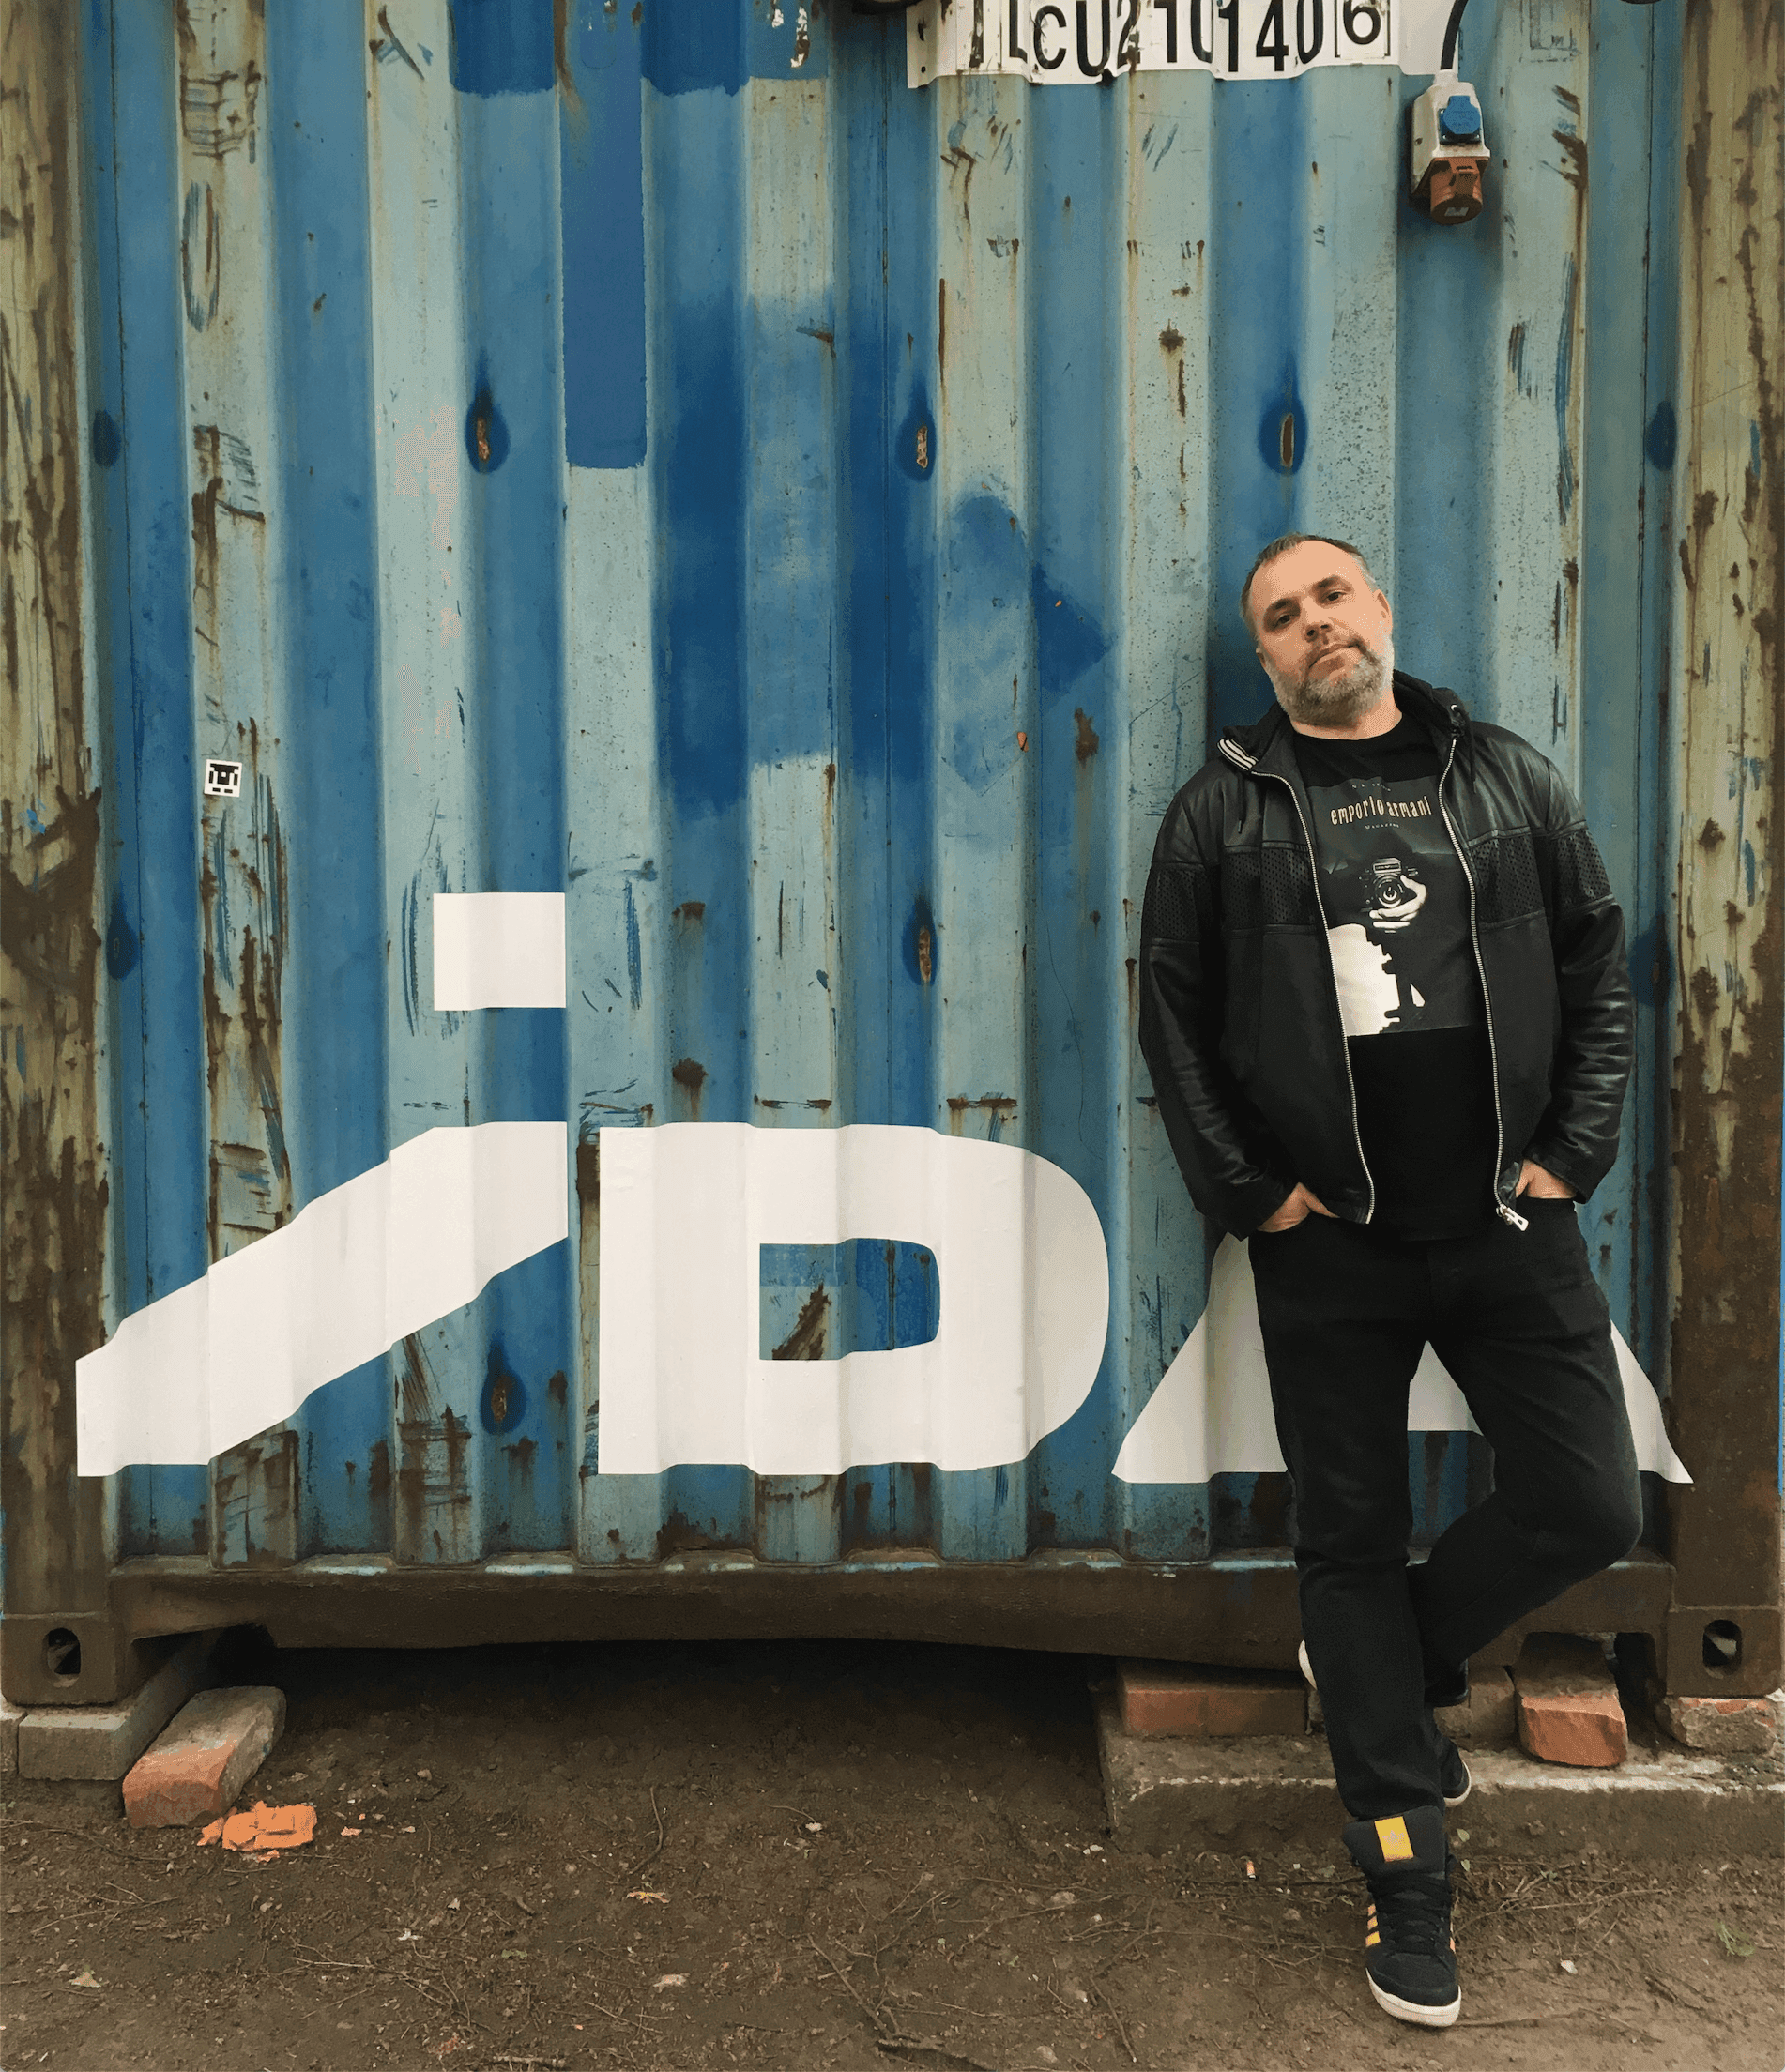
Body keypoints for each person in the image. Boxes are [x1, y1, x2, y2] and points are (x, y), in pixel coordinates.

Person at [1137, 533, 1642, 2031]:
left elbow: (1597, 967)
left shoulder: (1505, 778)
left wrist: (1571, 1153)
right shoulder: (1222, 812)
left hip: (1504, 1224)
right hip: (1330, 1243)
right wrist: (1253, 1195)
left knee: (1589, 1505)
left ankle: (1385, 1660)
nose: (1313, 627)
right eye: (1280, 618)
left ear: (1379, 609)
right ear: (1264, 658)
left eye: (1329, 597)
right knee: (1344, 1540)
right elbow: (1174, 1016)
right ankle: (1404, 1865)